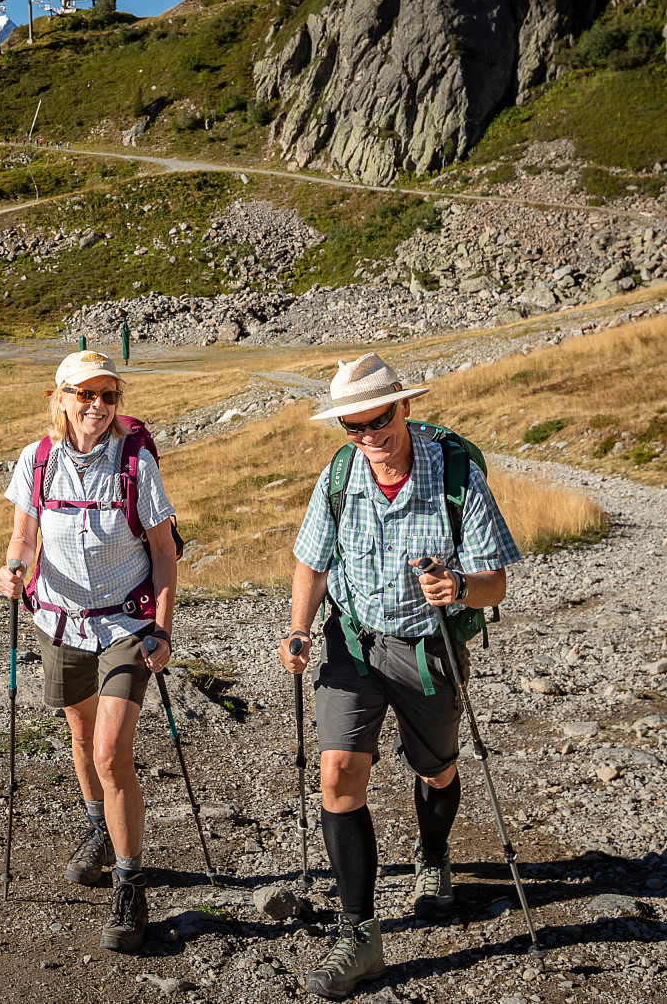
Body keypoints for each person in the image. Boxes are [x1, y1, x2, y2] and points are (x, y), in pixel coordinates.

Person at [276, 353, 520, 999]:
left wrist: (459, 586)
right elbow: (311, 563)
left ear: (404, 406)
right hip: (352, 642)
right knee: (337, 774)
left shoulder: (456, 476)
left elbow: (495, 581)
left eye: (378, 420)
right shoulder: (339, 476)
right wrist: (299, 627)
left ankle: (433, 854)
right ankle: (360, 936)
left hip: (427, 650)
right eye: (353, 426)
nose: (368, 436)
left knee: (436, 769)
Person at [0, 350, 180, 954]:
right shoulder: (37, 460)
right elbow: (24, 534)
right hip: (59, 621)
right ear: (60, 398)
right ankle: (98, 827)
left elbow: (163, 552)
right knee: (80, 735)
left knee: (109, 752)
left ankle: (130, 883)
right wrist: (14, 566)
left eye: (108, 395)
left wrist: (162, 629)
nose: (97, 406)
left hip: (126, 624)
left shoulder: (135, 462)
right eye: (85, 394)